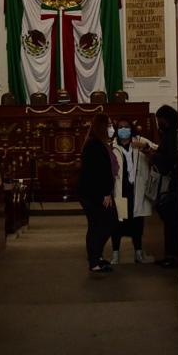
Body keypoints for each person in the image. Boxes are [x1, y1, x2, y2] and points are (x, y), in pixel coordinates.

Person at [110, 118, 158, 265]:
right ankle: (115, 254)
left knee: (137, 222)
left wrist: (145, 147)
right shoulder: (112, 147)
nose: (123, 130)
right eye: (120, 127)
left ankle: (138, 253)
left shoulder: (140, 141)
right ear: (117, 130)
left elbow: (158, 151)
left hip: (137, 190)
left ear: (131, 128)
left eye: (126, 127)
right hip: (120, 191)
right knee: (118, 223)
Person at [77, 112, 116, 273]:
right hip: (94, 194)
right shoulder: (94, 145)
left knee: (100, 225)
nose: (111, 128)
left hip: (93, 193)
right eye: (109, 125)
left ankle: (97, 257)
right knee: (101, 225)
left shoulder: (97, 143)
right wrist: (105, 193)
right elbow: (97, 173)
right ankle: (94, 260)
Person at [151, 105, 178, 268]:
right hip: (175, 184)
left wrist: (153, 156)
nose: (158, 123)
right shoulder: (175, 132)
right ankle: (172, 254)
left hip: (175, 185)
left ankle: (172, 255)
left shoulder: (170, 135)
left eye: (159, 119)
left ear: (165, 119)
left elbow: (168, 161)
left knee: (172, 221)